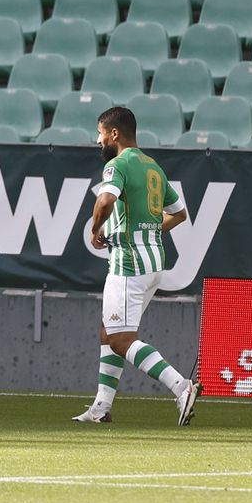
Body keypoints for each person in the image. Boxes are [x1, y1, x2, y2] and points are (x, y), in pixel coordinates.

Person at [73, 107, 201, 425]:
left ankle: (181, 387)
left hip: (128, 262)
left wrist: (95, 229)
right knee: (109, 330)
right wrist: (151, 231)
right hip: (153, 261)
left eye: (101, 133)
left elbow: (105, 200)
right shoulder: (152, 166)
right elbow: (180, 213)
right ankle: (101, 407)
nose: (98, 140)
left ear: (114, 133)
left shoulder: (118, 165)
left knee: (120, 339)